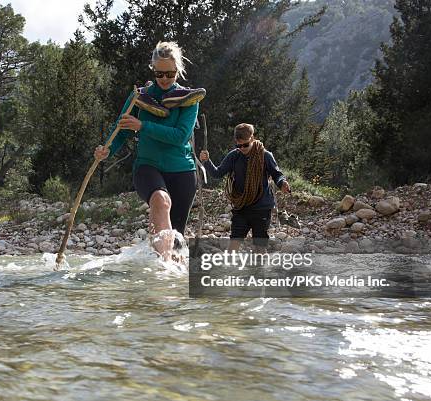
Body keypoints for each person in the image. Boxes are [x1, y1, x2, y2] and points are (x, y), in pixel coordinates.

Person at [94, 41, 205, 259]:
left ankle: (165, 285)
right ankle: (162, 270)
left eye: (170, 74)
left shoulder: (189, 100)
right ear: (153, 70)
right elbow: (122, 129)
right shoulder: (139, 95)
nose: (164, 79)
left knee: (176, 243)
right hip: (148, 166)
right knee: (160, 201)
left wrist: (143, 126)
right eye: (159, 73)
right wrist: (107, 149)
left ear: (178, 71)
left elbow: (180, 136)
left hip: (182, 171)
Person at [199, 123, 290, 250]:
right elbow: (217, 173)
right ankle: (230, 269)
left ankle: (259, 270)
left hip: (261, 208)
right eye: (239, 145)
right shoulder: (234, 156)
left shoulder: (265, 155)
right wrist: (206, 161)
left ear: (252, 138)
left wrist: (282, 183)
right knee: (233, 245)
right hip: (241, 207)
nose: (242, 148)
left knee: (260, 248)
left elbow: (277, 174)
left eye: (245, 144)